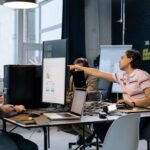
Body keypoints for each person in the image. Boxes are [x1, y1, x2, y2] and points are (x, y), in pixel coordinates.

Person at [69, 49, 150, 142]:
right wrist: (76, 67)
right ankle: (111, 145)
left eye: (122, 58)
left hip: (142, 113)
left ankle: (117, 144)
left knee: (110, 127)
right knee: (98, 118)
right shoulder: (122, 76)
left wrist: (132, 103)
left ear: (130, 59)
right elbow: (97, 72)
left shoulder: (141, 75)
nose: (119, 60)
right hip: (128, 110)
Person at [64, 57, 98, 144]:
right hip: (74, 104)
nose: (77, 71)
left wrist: (73, 95)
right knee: (60, 124)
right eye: (75, 69)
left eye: (79, 69)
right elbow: (69, 91)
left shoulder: (92, 77)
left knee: (75, 122)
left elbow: (90, 91)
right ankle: (83, 133)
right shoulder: (72, 77)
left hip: (89, 104)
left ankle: (89, 135)